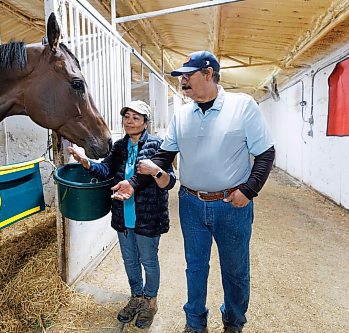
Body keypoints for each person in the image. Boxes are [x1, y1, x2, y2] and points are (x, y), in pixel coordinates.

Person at [114, 51, 275, 333]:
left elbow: (265, 153)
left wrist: (249, 191)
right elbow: (163, 158)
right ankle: (194, 323)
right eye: (180, 77)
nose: (183, 81)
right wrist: (133, 183)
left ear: (209, 73)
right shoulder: (182, 114)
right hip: (191, 203)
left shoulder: (242, 106)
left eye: (188, 75)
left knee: (235, 271)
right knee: (195, 267)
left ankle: (234, 321)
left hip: (231, 205)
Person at [67, 100, 176, 329]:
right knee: (129, 260)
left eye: (135, 117)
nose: (129, 121)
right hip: (123, 215)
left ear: (146, 123)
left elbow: (169, 181)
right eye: (126, 116)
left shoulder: (158, 146)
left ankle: (150, 301)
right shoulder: (119, 146)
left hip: (148, 216)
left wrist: (156, 171)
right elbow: (106, 170)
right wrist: (86, 162)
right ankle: (136, 297)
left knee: (148, 260)